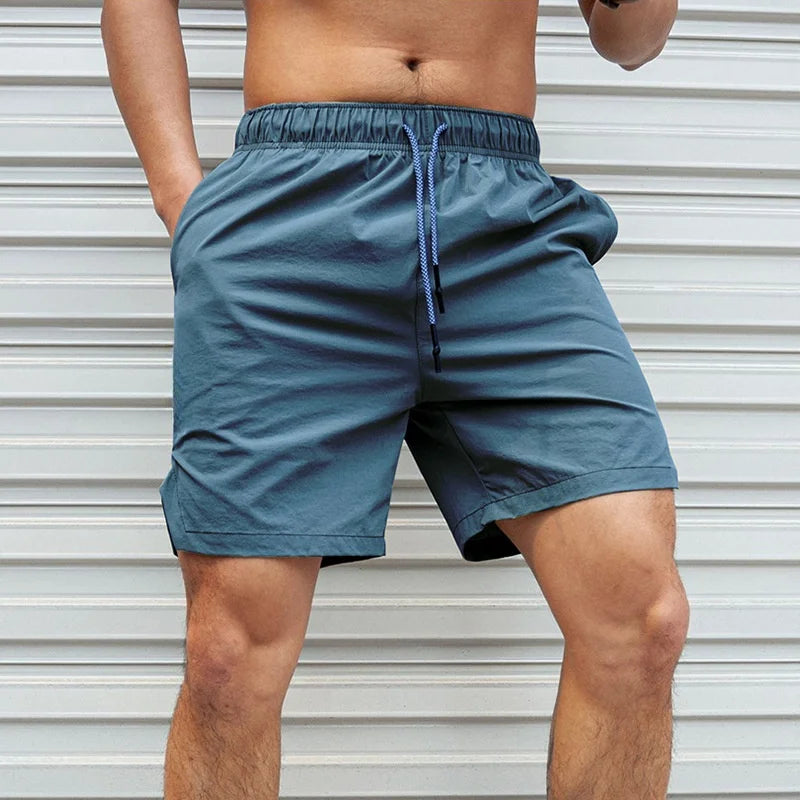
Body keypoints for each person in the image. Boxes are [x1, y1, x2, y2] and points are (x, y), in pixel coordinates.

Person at [101, 1, 687, 797]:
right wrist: (181, 195)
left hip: (505, 218)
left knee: (641, 618)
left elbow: (631, 40)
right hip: (293, 208)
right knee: (230, 655)